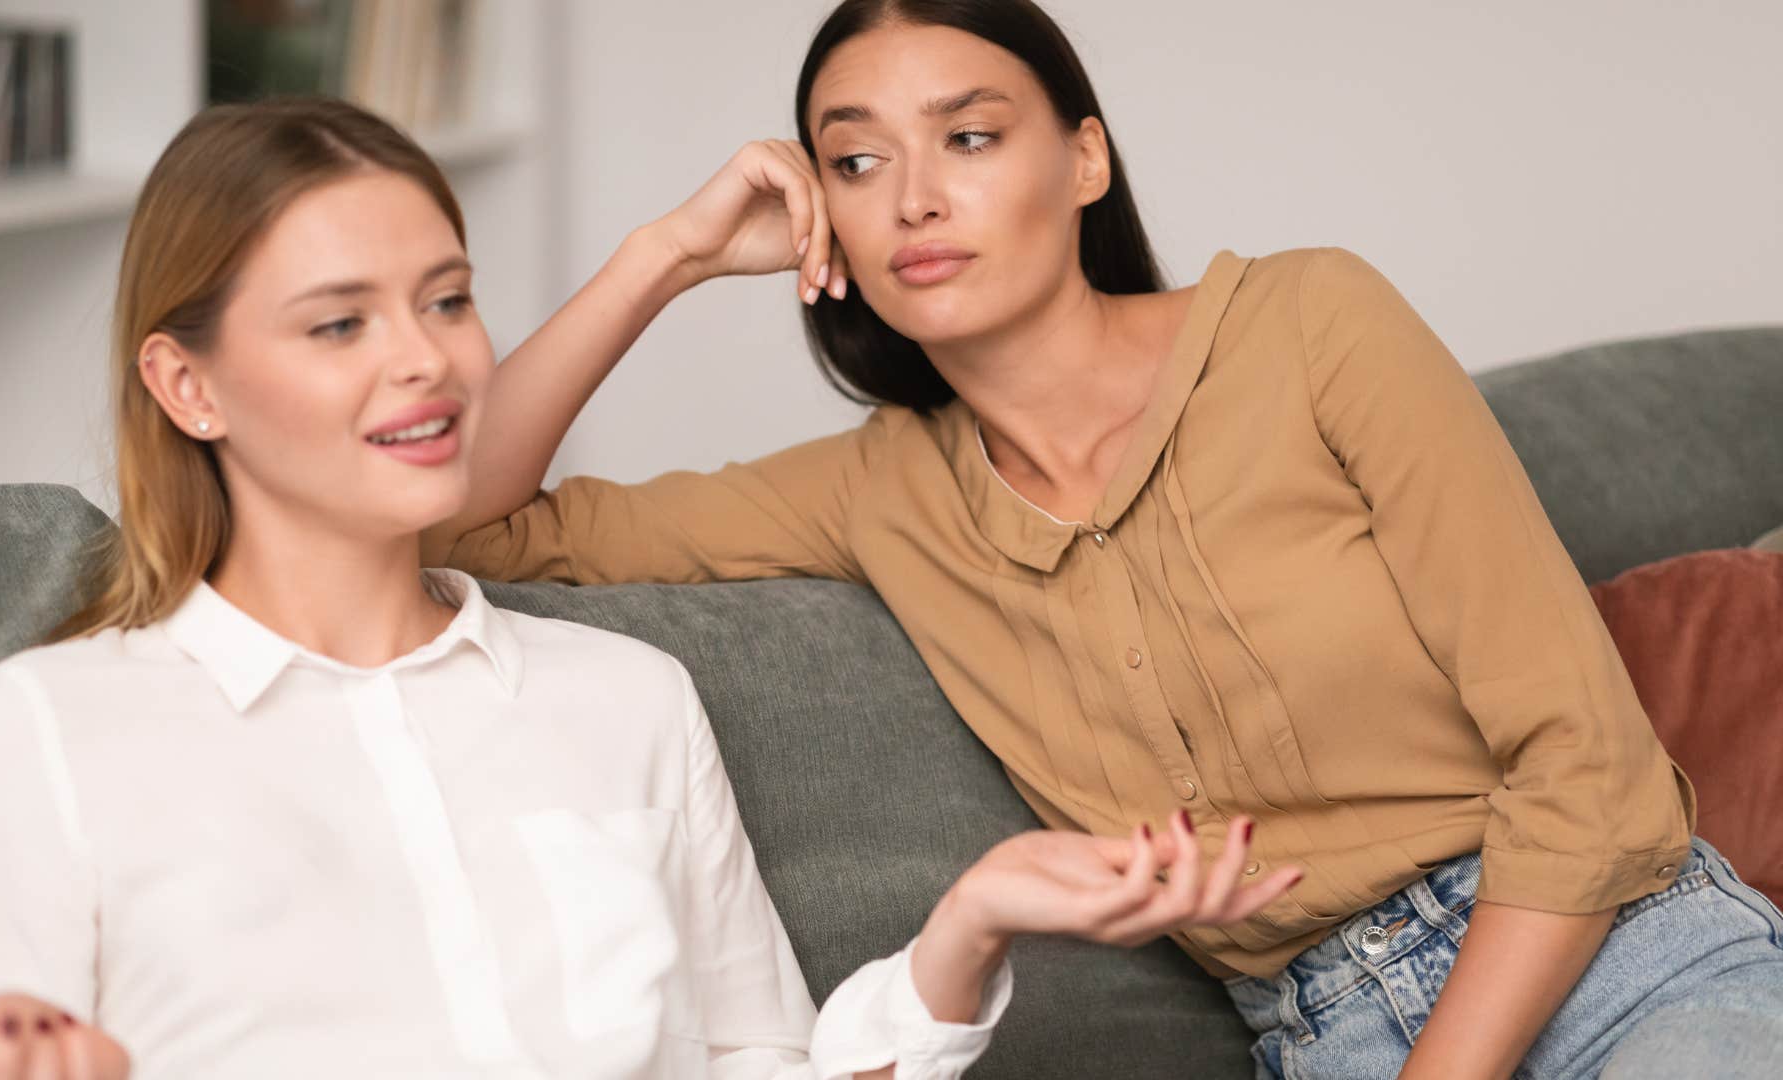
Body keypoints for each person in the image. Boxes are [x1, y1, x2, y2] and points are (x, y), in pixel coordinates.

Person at [427, 1, 1783, 1077]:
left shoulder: (1313, 328)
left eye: (969, 138)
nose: (911, 199)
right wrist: (662, 254)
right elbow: (459, 518)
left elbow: (1591, 771)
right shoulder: (874, 491)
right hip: (1329, 1038)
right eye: (855, 159)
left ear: (1083, 158)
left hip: (1626, 964)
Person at [0, 97, 1300, 1080]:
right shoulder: (39, 741)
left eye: (448, 300)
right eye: (341, 323)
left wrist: (971, 921)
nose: (429, 362)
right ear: (186, 384)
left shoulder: (621, 700)